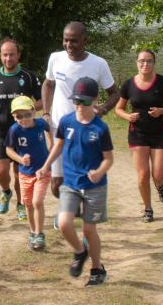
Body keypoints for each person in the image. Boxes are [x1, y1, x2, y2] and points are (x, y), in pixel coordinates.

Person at [37, 77, 114, 287]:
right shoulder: (66, 121)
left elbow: (109, 159)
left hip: (94, 187)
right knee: (63, 223)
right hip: (70, 183)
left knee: (89, 230)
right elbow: (58, 146)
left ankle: (97, 269)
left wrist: (99, 172)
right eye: (77, 101)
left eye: (85, 102)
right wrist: (46, 166)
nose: (80, 106)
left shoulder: (100, 128)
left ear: (96, 100)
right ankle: (80, 252)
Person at [41, 22, 118, 218]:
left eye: (74, 41)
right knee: (57, 184)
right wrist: (46, 111)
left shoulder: (98, 63)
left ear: (85, 40)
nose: (69, 45)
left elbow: (114, 93)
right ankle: (71, 209)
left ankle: (84, 216)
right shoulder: (55, 58)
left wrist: (103, 109)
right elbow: (48, 84)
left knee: (86, 179)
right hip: (60, 125)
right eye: (65, 40)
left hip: (86, 128)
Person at [115, 49, 163, 222]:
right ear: (136, 62)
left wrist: (162, 111)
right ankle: (148, 208)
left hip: (160, 133)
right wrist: (128, 116)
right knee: (143, 174)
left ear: (154, 63)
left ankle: (160, 186)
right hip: (137, 134)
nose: (145, 64)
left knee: (157, 175)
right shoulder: (128, 84)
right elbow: (118, 109)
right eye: (142, 61)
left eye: (149, 61)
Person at [0, 37, 42, 219]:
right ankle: (6, 192)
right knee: (1, 172)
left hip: (22, 132)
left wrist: (31, 110)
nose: (8, 59)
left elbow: (41, 100)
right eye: (5, 55)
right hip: (1, 131)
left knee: (19, 173)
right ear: (1, 56)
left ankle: (21, 203)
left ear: (18, 55)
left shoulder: (29, 77)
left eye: (12, 55)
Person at [5, 96, 52, 250]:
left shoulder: (40, 124)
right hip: (25, 173)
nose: (23, 119)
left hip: (42, 171)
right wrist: (19, 159)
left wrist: (51, 147)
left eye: (27, 114)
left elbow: (49, 129)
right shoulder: (14, 130)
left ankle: (39, 234)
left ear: (33, 111)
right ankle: (33, 232)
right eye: (19, 116)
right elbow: (8, 149)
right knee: (28, 205)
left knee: (37, 202)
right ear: (14, 116)